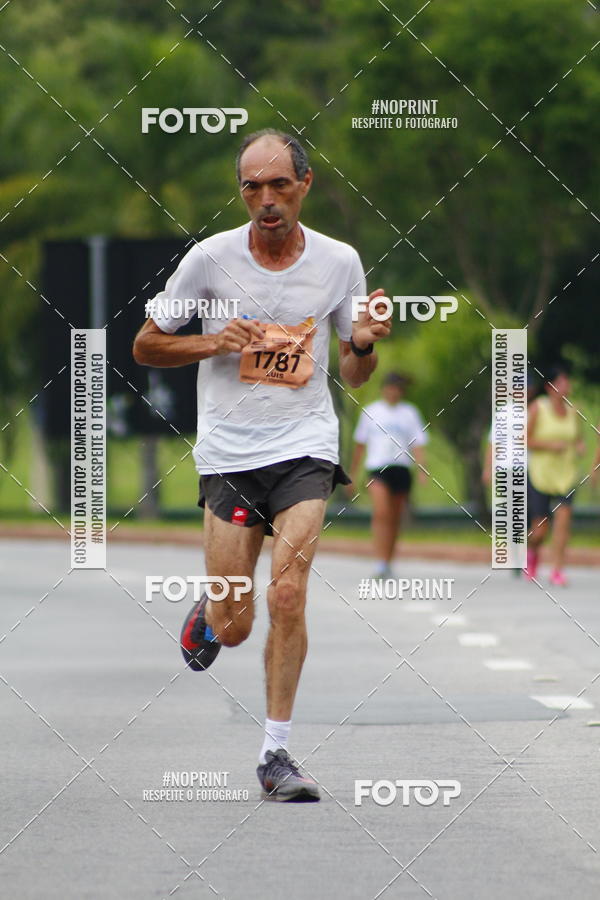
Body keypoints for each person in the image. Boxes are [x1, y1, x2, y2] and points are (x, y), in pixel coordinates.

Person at [133, 128, 391, 801]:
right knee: (236, 625)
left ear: (305, 184)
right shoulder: (209, 260)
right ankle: (213, 611)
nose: (267, 199)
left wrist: (363, 343)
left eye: (279, 185)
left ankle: (275, 754)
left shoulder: (339, 262)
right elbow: (145, 345)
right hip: (230, 454)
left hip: (305, 446)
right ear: (241, 192)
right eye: (253, 187)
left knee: (288, 593)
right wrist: (215, 341)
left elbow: (354, 373)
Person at [347, 372, 427, 578]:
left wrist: (422, 470)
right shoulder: (371, 411)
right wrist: (353, 474)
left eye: (398, 388)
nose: (394, 392)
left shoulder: (410, 413)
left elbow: (418, 443)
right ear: (384, 389)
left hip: (400, 468)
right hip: (377, 468)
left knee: (394, 517)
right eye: (391, 387)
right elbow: (360, 444)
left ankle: (388, 560)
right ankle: (379, 561)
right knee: (381, 513)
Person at [525, 366, 585, 586]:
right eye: (560, 382)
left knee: (563, 524)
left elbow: (577, 437)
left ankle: (557, 570)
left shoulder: (573, 411)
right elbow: (525, 440)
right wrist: (550, 446)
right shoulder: (538, 408)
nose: (565, 386)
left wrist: (579, 446)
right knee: (540, 530)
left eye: (566, 382)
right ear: (549, 387)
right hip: (541, 475)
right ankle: (532, 553)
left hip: (566, 475)